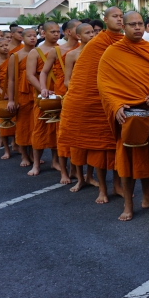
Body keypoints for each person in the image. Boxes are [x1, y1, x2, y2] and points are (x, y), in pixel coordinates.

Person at [98, 11, 149, 221]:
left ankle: (148, 198)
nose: (138, 27)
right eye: (132, 24)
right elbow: (104, 85)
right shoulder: (112, 52)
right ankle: (128, 205)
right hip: (127, 114)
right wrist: (116, 106)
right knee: (127, 161)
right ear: (124, 27)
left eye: (140, 23)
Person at [63, 7, 125, 204]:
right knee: (99, 149)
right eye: (115, 16)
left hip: (117, 99)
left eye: (121, 16)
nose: (119, 19)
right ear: (105, 19)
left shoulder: (125, 41)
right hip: (96, 102)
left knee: (116, 147)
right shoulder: (97, 43)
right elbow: (84, 77)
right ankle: (103, 189)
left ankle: (117, 185)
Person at [39, 20, 81, 185]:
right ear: (68, 32)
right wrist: (43, 88)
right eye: (77, 28)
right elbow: (44, 72)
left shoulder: (84, 49)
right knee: (62, 134)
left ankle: (76, 170)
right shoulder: (57, 51)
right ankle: (64, 171)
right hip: (63, 95)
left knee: (78, 135)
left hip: (79, 95)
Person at [62, 22, 99, 192]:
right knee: (77, 142)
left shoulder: (100, 53)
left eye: (93, 32)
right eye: (88, 33)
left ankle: (90, 176)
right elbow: (67, 80)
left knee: (93, 141)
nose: (92, 35)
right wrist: (80, 92)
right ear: (78, 36)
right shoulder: (72, 55)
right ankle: (80, 178)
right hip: (78, 101)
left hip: (95, 101)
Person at [25, 21, 62, 177]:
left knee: (57, 129)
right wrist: (43, 90)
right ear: (43, 33)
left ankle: (55, 161)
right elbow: (30, 75)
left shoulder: (62, 49)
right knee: (39, 129)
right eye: (52, 32)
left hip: (59, 92)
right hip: (43, 95)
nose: (56, 34)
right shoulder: (35, 52)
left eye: (58, 32)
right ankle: (36, 164)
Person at [7, 28, 38, 168]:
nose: (32, 38)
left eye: (35, 35)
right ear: (23, 38)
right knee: (23, 126)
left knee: (35, 125)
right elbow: (11, 80)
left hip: (37, 92)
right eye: (29, 36)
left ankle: (33, 155)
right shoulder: (16, 56)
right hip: (22, 94)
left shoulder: (40, 53)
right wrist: (11, 100)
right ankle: (24, 155)